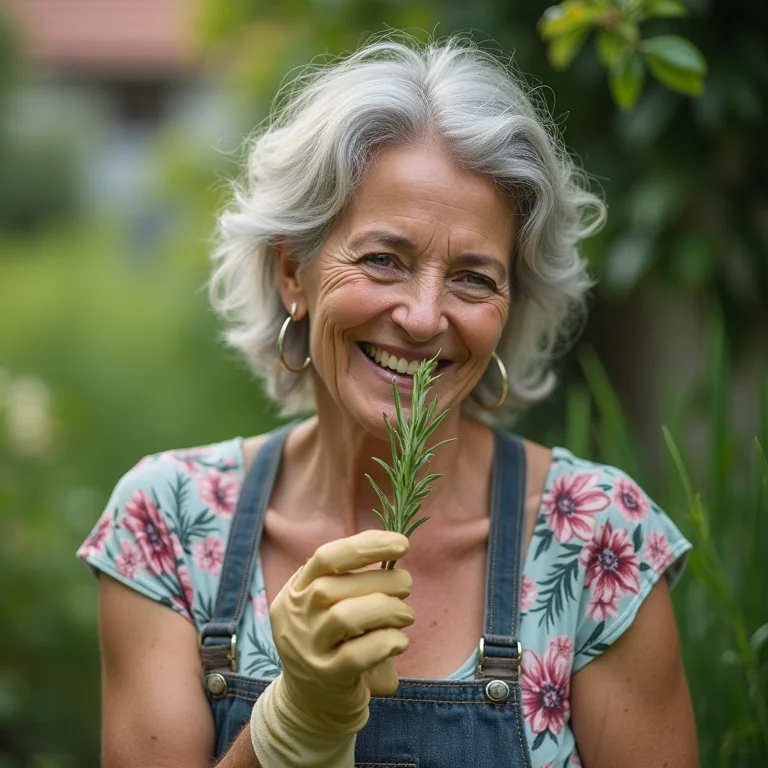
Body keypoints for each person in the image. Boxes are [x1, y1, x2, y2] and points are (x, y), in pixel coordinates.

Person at [77, 34, 699, 768]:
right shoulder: (167, 525)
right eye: (383, 260)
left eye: (473, 277)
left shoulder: (599, 541)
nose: (425, 316)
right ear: (291, 273)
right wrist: (292, 725)